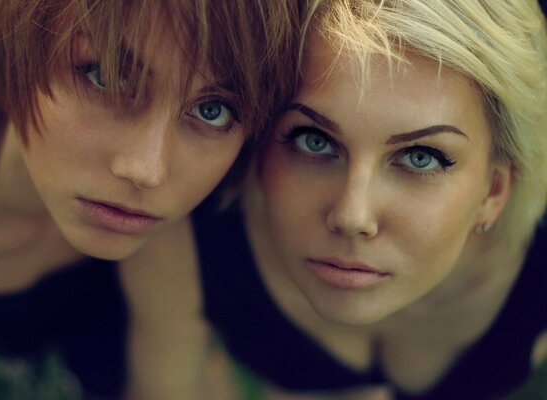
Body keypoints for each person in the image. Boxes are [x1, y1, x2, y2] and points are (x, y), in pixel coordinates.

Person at [127, 0, 547, 399]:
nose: (352, 214)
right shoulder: (189, 237)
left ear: (495, 190)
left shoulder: (535, 274)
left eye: (420, 158)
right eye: (314, 140)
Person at [0, 0, 300, 398]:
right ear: (13, 37)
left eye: (213, 110)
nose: (145, 171)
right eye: (105, 76)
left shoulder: (169, 240)